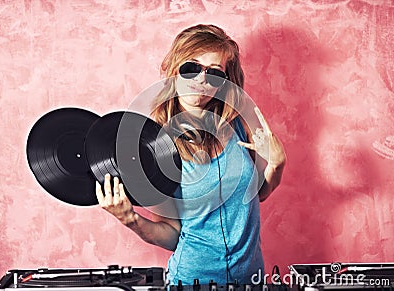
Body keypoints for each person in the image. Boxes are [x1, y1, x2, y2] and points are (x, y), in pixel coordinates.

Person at [95, 24, 286, 285]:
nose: (201, 80)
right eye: (191, 68)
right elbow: (172, 234)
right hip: (192, 281)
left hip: (251, 280)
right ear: (175, 69)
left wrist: (277, 164)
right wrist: (131, 220)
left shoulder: (241, 124)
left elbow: (259, 193)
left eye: (214, 73)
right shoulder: (154, 144)